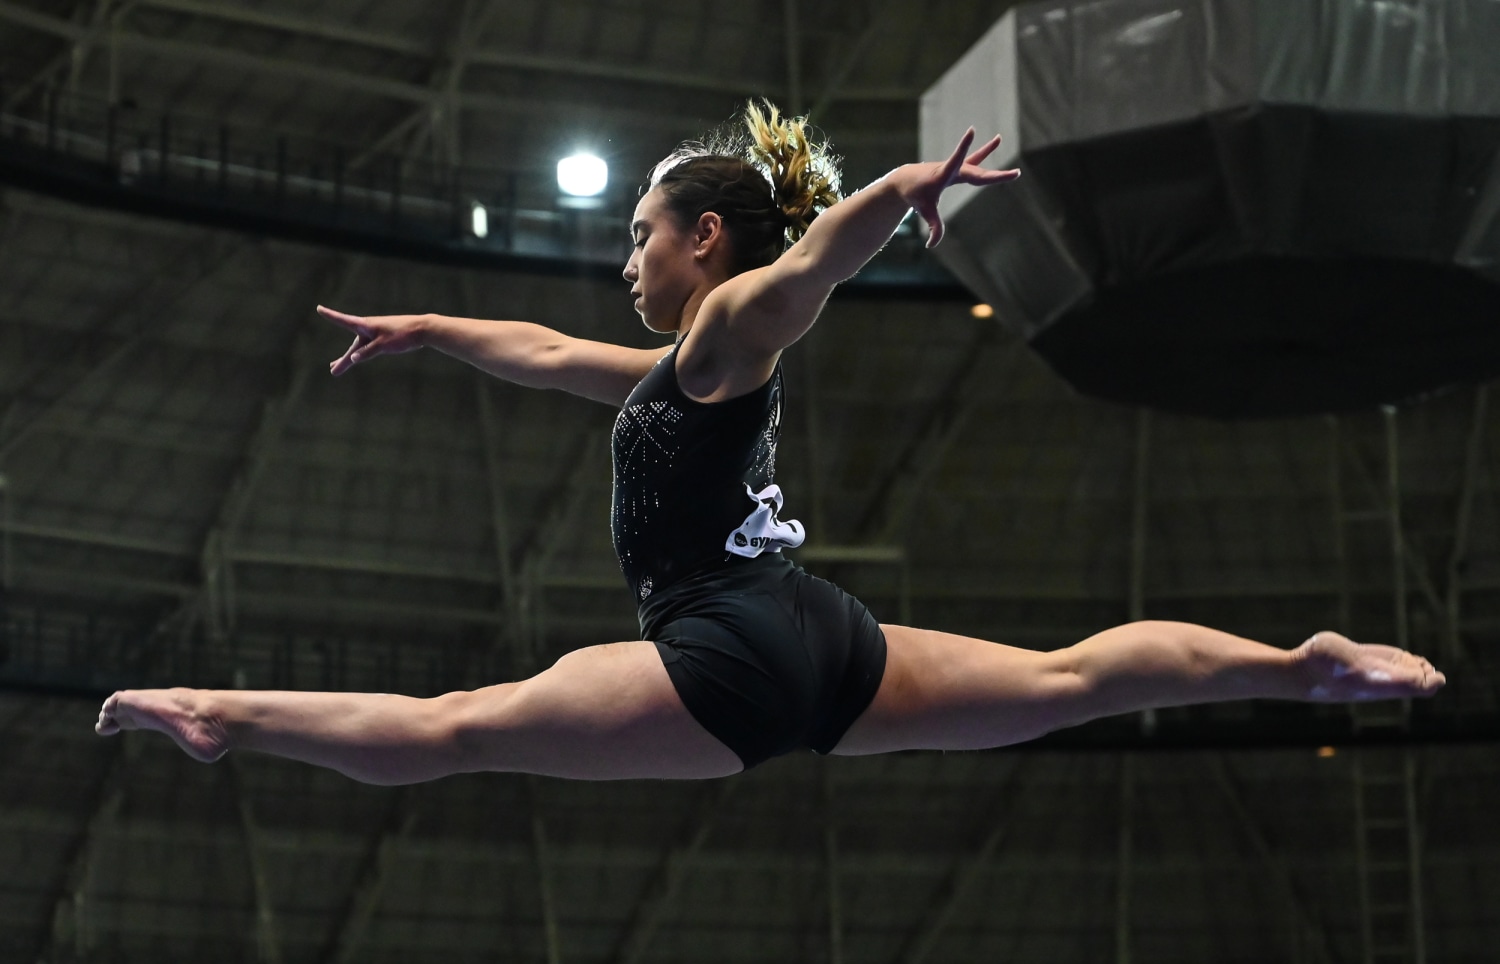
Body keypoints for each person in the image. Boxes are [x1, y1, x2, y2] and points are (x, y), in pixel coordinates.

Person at [95, 102, 1444, 782]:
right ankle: (1296, 667)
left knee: (458, 729)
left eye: (641, 232)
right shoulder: (682, 370)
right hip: (820, 639)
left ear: (706, 239)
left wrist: (893, 195)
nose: (628, 255)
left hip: (725, 649)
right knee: (1071, 678)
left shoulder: (735, 319)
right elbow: (559, 356)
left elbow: (804, 273)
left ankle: (225, 714)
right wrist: (438, 324)